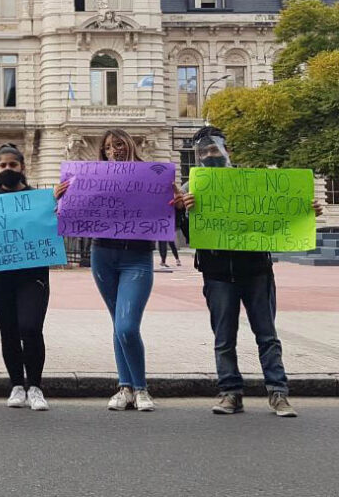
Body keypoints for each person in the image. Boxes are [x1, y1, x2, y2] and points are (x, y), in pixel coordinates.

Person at [174, 126, 323, 417]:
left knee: (267, 335)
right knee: (223, 337)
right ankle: (230, 392)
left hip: (256, 269)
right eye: (203, 151)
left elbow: (282, 212)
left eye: (214, 149)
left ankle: (278, 393)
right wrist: (184, 212)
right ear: (197, 155)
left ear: (227, 149)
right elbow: (191, 237)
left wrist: (308, 211)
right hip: (217, 272)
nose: (209, 155)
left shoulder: (254, 181)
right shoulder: (191, 189)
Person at [79, 129, 157, 412]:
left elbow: (166, 223)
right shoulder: (95, 178)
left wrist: (175, 205)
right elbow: (77, 211)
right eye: (109, 147)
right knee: (118, 323)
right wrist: (62, 195)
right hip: (103, 255)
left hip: (137, 257)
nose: (115, 150)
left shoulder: (150, 176)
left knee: (127, 326)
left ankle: (141, 388)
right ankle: (125, 388)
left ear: (131, 145)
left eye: (120, 144)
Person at [0, 144, 59, 412]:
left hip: (33, 276)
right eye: (2, 165)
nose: (7, 169)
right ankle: (17, 384)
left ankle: (35, 386)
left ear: (22, 168)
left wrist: (57, 204)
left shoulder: (39, 200)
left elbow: (56, 225)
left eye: (12, 165)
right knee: (8, 330)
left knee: (30, 327)